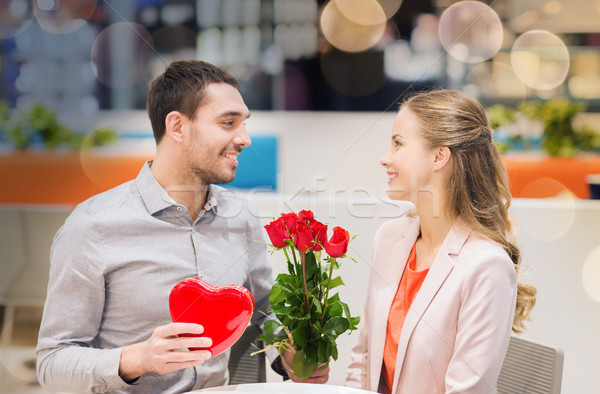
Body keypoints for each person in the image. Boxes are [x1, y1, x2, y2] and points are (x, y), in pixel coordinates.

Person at [36, 60, 328, 393]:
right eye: (228, 122)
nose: (245, 138)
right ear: (177, 126)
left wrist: (288, 352)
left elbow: (264, 312)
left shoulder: (241, 215)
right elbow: (52, 363)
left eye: (244, 123)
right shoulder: (93, 226)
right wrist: (136, 359)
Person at [345, 89, 537, 393]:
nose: (385, 158)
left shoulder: (485, 265)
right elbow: (363, 361)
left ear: (439, 156)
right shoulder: (389, 239)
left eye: (398, 144)